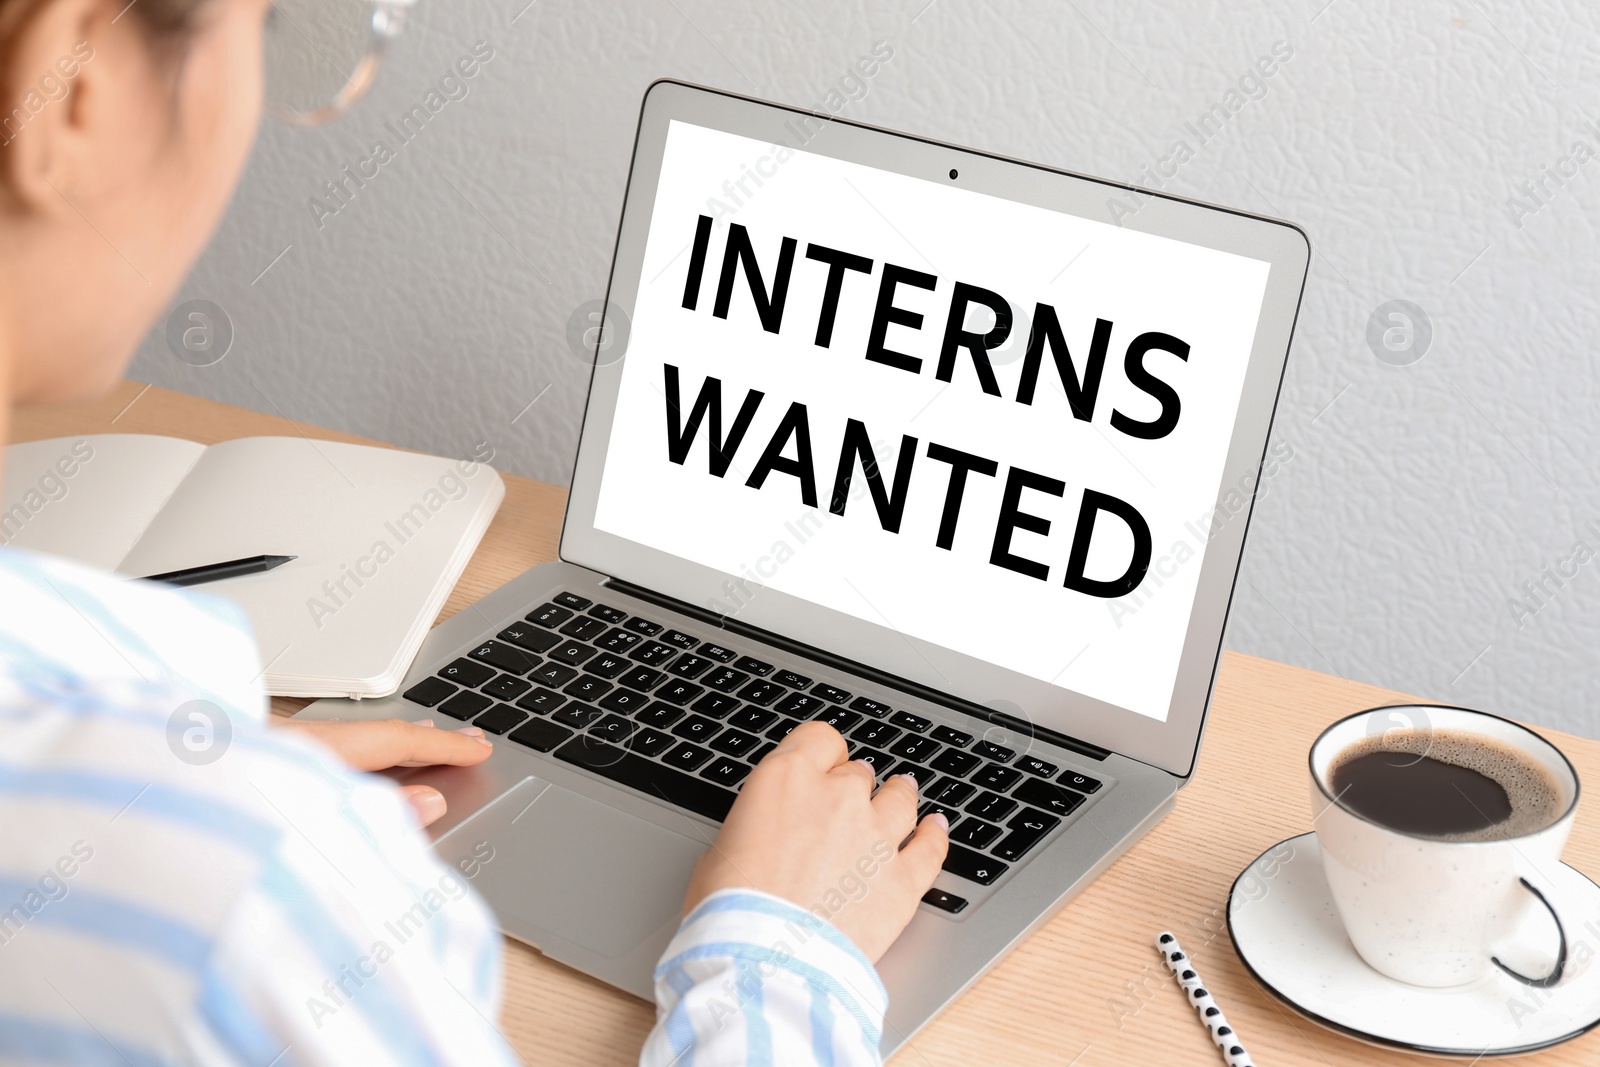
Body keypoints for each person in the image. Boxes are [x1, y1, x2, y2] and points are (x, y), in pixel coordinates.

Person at [0, 1, 950, 1063]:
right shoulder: (239, 915)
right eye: (264, 25)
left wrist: (171, 787)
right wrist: (781, 954)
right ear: (70, 97)